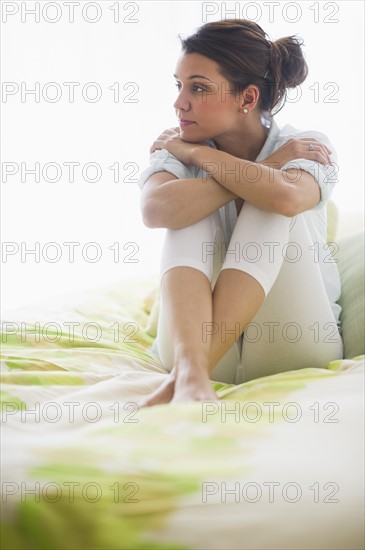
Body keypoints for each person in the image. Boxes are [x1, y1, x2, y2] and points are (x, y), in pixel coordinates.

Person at [138, 19, 343, 405]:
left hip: (294, 342)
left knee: (270, 201)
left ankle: (186, 377)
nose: (179, 103)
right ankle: (192, 371)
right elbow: (155, 210)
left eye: (197, 87)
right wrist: (264, 167)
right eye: (179, 85)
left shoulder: (305, 145)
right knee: (186, 206)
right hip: (196, 345)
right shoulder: (174, 149)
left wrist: (200, 154)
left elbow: (286, 200)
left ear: (247, 98)